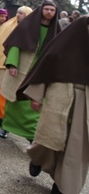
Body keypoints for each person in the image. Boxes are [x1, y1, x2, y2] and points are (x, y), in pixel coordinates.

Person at [18, 16, 89, 194]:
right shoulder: (64, 45)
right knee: (48, 139)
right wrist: (37, 96)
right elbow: (46, 67)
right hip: (60, 93)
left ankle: (63, 186)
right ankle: (38, 159)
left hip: (86, 101)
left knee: (77, 147)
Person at [0, 0, 60, 141]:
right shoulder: (27, 25)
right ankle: (6, 127)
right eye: (47, 9)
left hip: (39, 71)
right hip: (22, 67)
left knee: (33, 102)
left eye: (52, 10)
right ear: (41, 10)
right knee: (13, 99)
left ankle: (31, 134)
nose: (49, 12)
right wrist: (12, 64)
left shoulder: (57, 31)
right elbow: (14, 45)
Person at [0, 6, 32, 125]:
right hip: (3, 63)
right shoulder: (8, 25)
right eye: (18, 13)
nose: (18, 15)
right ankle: (2, 115)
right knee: (0, 89)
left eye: (22, 13)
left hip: (20, 66)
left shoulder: (30, 29)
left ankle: (9, 117)